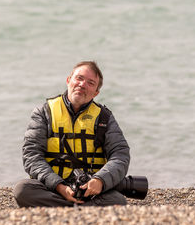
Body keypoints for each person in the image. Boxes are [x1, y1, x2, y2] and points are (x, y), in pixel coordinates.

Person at [13, 61, 130, 207]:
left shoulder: (104, 118)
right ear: (69, 80)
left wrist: (100, 180)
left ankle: (63, 210)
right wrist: (58, 186)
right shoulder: (44, 112)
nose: (82, 84)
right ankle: (82, 211)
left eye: (90, 83)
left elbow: (120, 154)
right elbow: (31, 154)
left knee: (118, 201)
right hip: (54, 188)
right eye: (79, 78)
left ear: (96, 93)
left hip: (90, 191)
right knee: (22, 190)